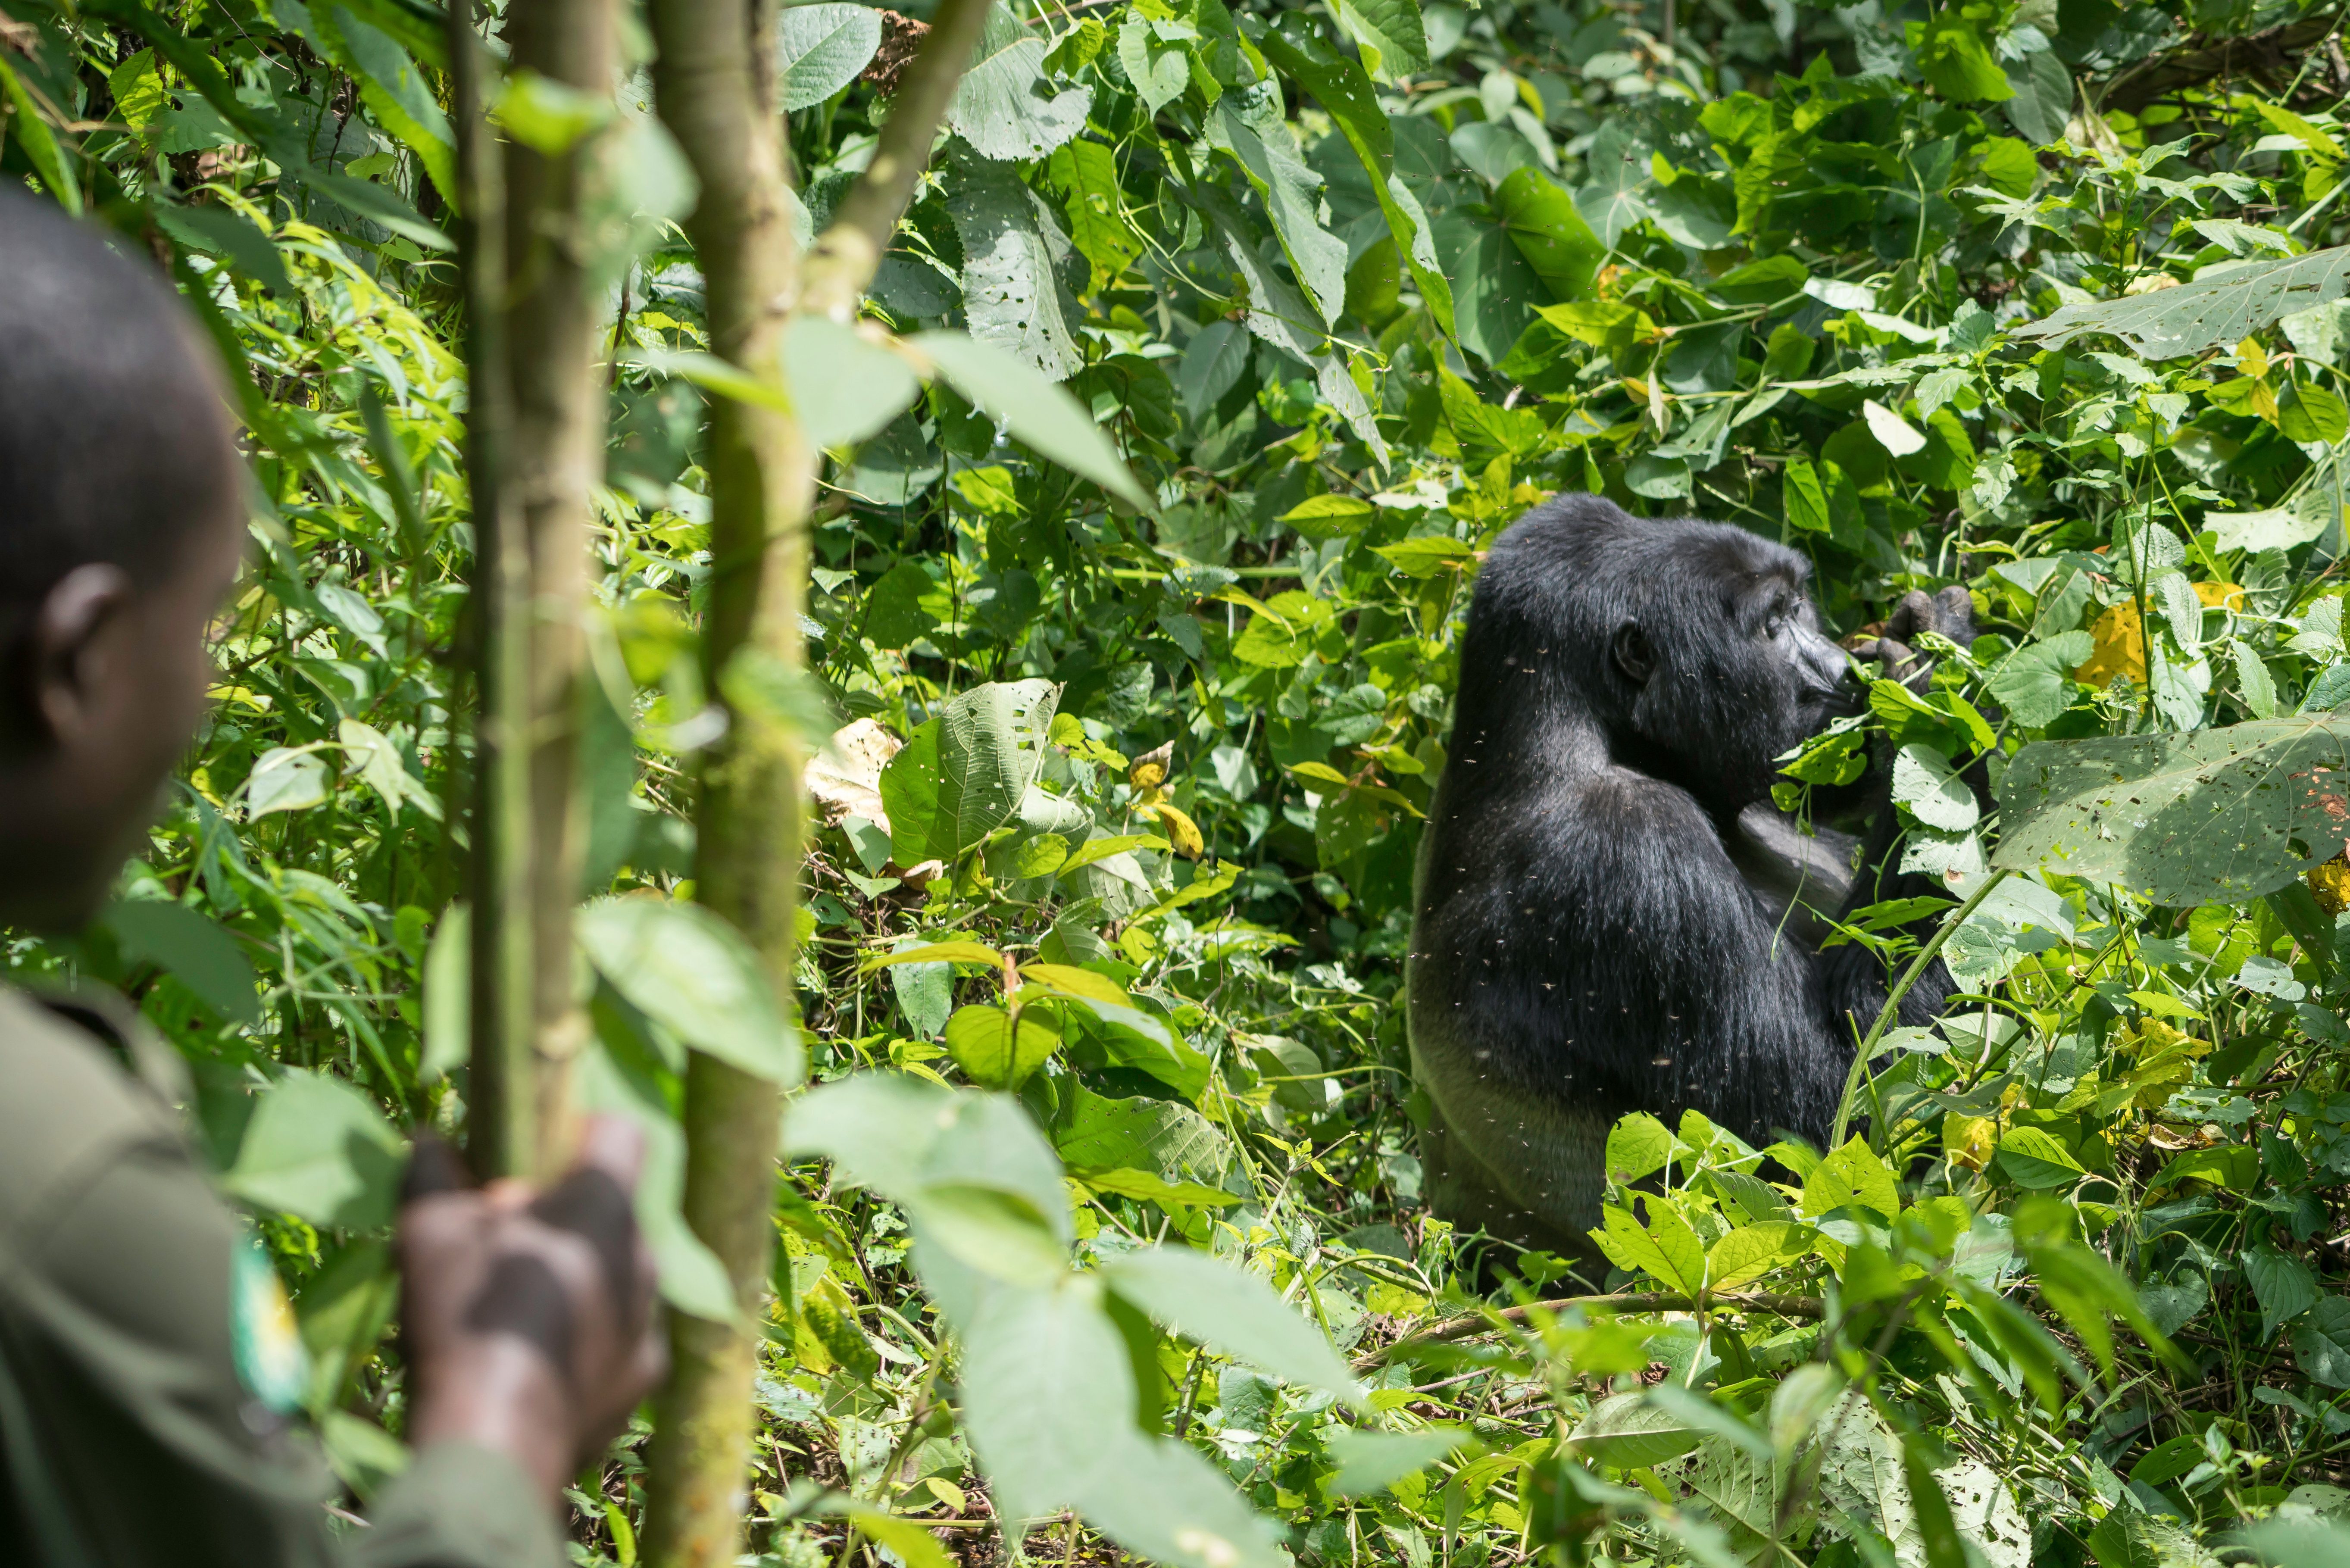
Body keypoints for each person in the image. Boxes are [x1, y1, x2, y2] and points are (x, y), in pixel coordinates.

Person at [0, 187, 665, 1562]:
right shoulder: (58, 1183)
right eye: (210, 619)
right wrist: (503, 1432)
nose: (204, 690)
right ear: (80, 661)